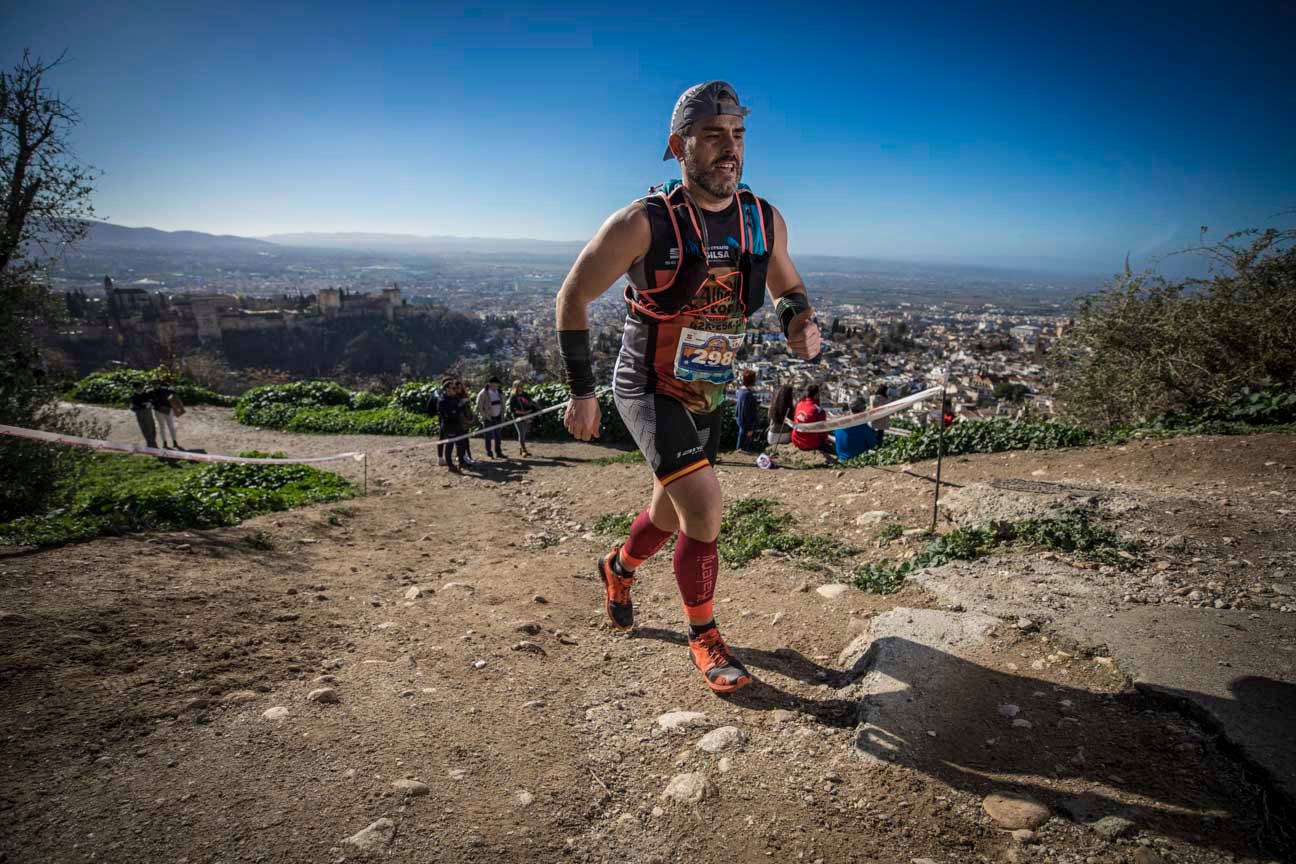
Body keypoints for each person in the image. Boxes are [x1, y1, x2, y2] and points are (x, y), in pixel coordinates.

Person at [555, 81, 821, 693]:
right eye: (712, 136)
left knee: (668, 514)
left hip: (709, 386)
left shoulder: (762, 219)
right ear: (680, 146)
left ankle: (617, 567)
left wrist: (798, 323)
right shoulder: (642, 223)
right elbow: (572, 295)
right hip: (647, 382)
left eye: (738, 135)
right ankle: (705, 637)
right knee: (704, 508)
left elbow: (788, 287)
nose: (729, 148)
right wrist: (582, 390)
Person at [791, 383, 835, 460]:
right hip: (811, 443)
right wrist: (825, 440)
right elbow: (823, 432)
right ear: (816, 395)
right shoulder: (818, 410)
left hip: (796, 440)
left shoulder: (799, 404)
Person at [437, 378, 471, 474]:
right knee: (450, 445)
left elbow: (459, 410)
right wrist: (458, 408)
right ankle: (450, 465)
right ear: (447, 389)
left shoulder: (455, 397)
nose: (455, 389)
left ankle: (461, 461)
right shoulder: (442, 400)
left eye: (455, 387)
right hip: (449, 426)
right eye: (453, 388)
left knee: (461, 444)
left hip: (458, 424)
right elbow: (448, 414)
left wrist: (462, 405)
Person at [834, 396, 880, 461]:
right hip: (857, 460)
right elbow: (872, 445)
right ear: (862, 410)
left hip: (841, 459)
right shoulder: (863, 427)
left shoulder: (839, 425)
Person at [475, 377, 507, 459]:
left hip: (498, 417)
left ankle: (498, 452)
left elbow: (503, 404)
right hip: (488, 418)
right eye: (494, 384)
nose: (496, 386)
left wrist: (502, 414)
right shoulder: (483, 393)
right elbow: (479, 407)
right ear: (490, 384)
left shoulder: (500, 393)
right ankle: (489, 452)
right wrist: (484, 416)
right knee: (488, 436)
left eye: (497, 385)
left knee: (498, 436)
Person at [508, 380, 538, 457]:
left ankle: (521, 449)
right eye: (519, 386)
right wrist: (524, 413)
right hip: (518, 417)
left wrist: (534, 407)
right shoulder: (513, 396)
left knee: (524, 433)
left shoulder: (525, 394)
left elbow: (530, 402)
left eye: (521, 385)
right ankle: (524, 450)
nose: (521, 387)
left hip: (526, 416)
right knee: (521, 433)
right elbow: (513, 410)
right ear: (515, 387)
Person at [148, 379, 180, 449]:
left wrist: (172, 388)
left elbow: (175, 394)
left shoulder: (166, 389)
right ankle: (164, 442)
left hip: (168, 410)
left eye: (157, 383)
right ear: (152, 385)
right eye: (154, 384)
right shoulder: (150, 392)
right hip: (158, 411)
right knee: (162, 427)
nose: (155, 385)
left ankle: (175, 441)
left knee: (171, 426)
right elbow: (147, 400)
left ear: (159, 384)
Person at [734, 369, 758, 452]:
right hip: (746, 423)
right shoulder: (748, 394)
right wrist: (750, 428)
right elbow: (748, 412)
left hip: (740, 419)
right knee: (743, 445)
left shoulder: (741, 391)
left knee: (741, 439)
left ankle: (739, 450)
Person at [129, 381, 158, 449]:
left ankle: (153, 442)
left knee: (152, 427)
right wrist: (142, 405)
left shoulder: (146, 394)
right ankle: (151, 444)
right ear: (135, 388)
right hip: (140, 413)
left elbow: (152, 401)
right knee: (145, 428)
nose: (142, 388)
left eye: (142, 387)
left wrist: (150, 403)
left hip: (148, 412)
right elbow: (132, 407)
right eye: (140, 387)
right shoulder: (133, 397)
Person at [766, 383, 795, 449]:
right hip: (785, 437)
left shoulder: (773, 406)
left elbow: (769, 417)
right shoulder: (790, 409)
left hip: (771, 437)